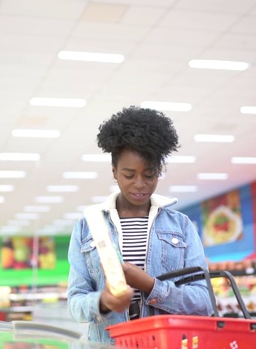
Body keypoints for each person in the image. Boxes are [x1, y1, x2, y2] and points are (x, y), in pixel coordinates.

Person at [66, 106, 213, 344]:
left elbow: (203, 302)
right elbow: (74, 303)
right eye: (129, 174)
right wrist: (103, 301)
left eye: (149, 174)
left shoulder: (181, 226)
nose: (140, 184)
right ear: (114, 172)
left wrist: (151, 286)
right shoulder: (87, 228)